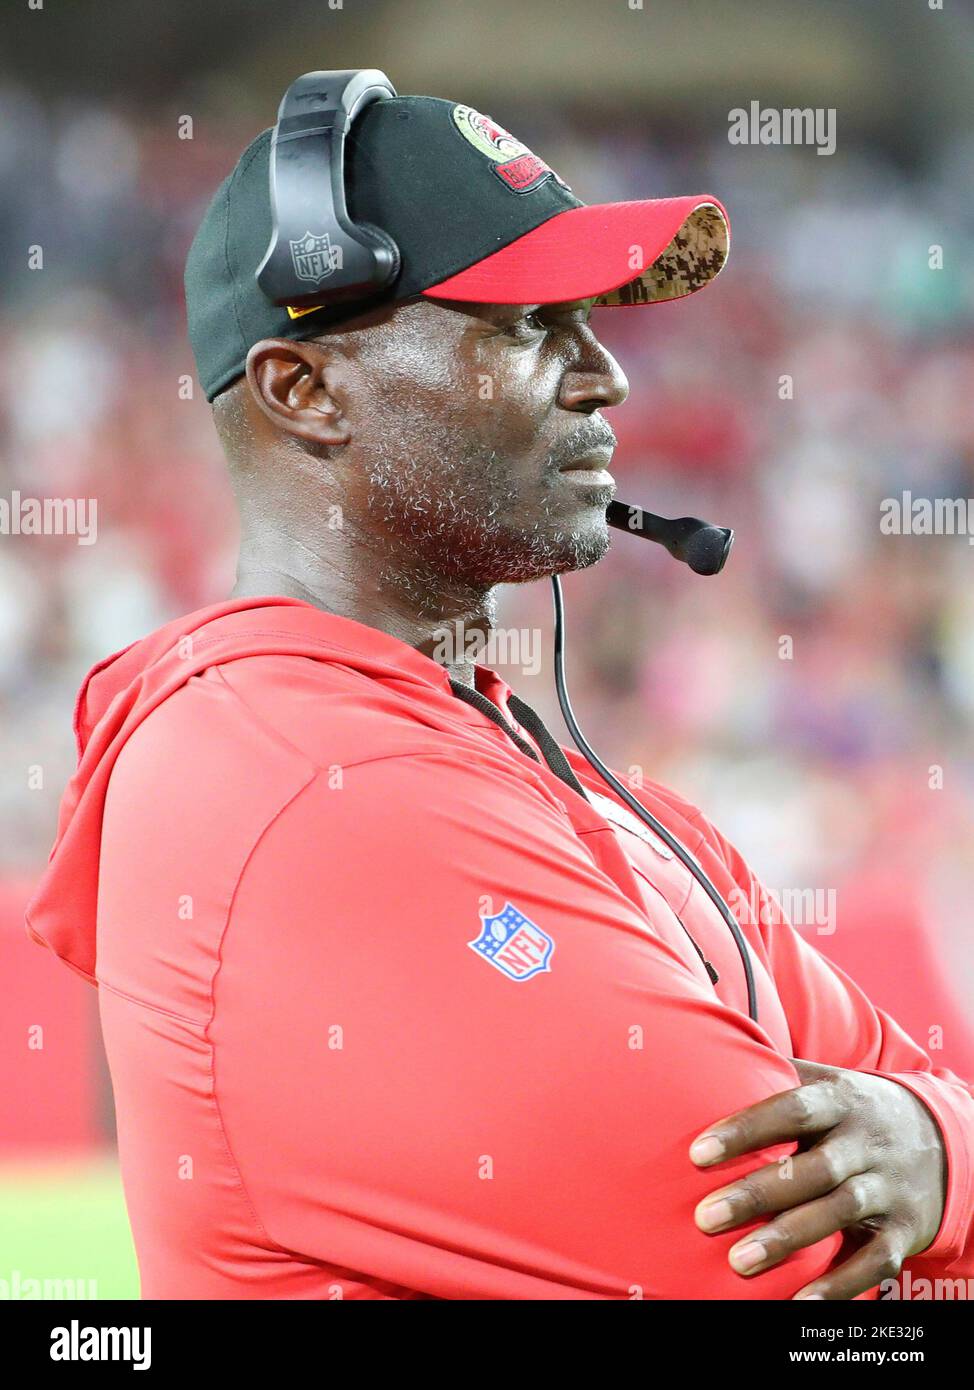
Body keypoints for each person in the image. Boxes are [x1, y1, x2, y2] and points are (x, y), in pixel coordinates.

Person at [27, 85, 974, 1300]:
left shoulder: (536, 768)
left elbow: (897, 1119)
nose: (607, 378)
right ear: (304, 391)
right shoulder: (314, 783)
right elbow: (808, 1277)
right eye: (526, 324)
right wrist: (937, 1163)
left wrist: (935, 1151)